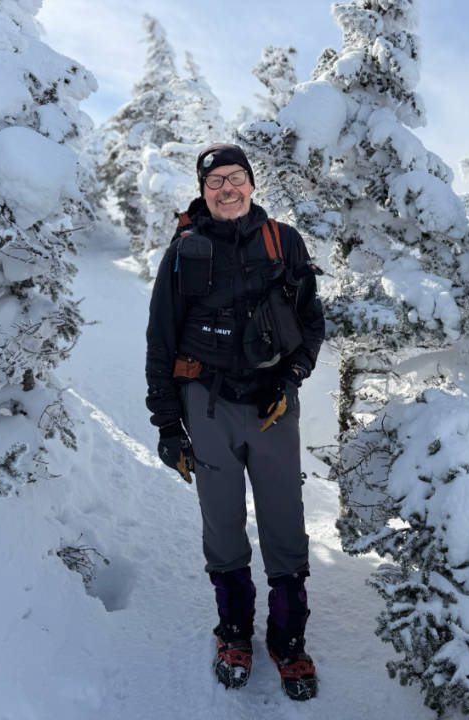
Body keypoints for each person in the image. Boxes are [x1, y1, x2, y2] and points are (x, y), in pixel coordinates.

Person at [145, 143, 325, 700]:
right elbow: (160, 340)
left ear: (252, 182)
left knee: (285, 522)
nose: (227, 188)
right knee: (222, 525)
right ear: (203, 191)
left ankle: (288, 640)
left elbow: (311, 319)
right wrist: (169, 426)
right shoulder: (184, 253)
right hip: (208, 402)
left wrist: (292, 375)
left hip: (273, 405)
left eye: (236, 177)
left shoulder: (283, 241)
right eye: (215, 180)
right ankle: (235, 634)